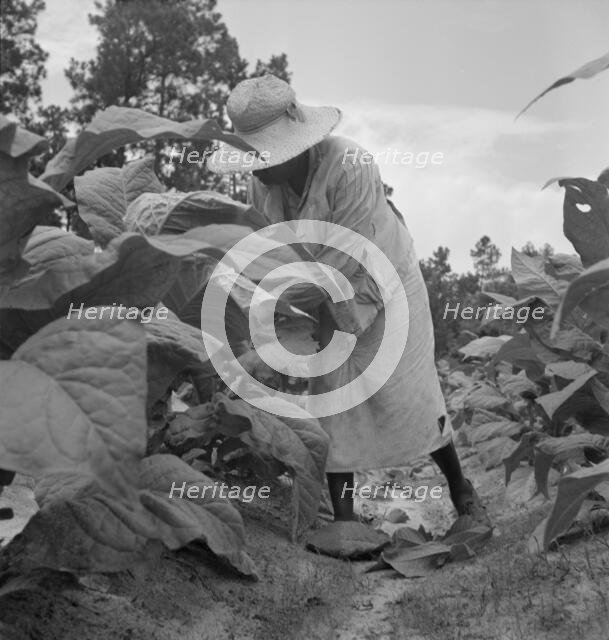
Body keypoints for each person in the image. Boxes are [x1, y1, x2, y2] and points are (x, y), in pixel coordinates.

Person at [207, 74, 489, 528]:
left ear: (296, 146)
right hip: (318, 291)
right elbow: (270, 253)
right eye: (252, 157)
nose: (256, 168)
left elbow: (339, 264)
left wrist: (261, 297)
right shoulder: (262, 186)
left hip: (383, 280)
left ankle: (462, 491)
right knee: (331, 397)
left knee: (409, 392)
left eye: (264, 157)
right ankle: (345, 523)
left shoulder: (350, 165)